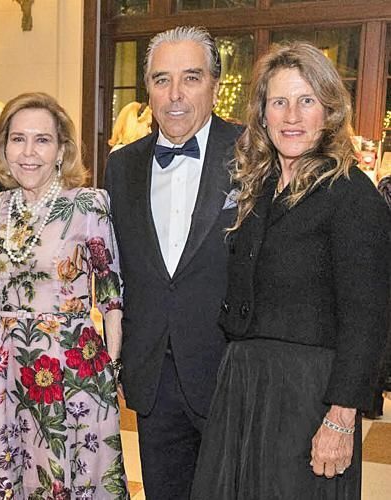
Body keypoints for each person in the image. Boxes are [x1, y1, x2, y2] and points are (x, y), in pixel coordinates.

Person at [191, 42, 391, 500]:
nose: (292, 116)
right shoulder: (259, 188)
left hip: (310, 397)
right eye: (279, 102)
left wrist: (340, 418)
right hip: (244, 384)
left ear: (329, 111)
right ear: (262, 114)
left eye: (306, 101)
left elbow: (368, 320)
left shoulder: (352, 196)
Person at [0, 92, 128, 499]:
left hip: (70, 364)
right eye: (18, 139)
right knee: (9, 472)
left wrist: (112, 369)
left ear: (61, 149)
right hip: (6, 365)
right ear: (3, 147)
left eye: (42, 140)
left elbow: (110, 295)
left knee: (65, 471)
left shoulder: (88, 204)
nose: (28, 152)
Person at [104, 26, 242, 499]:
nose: (176, 94)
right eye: (162, 80)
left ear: (215, 85)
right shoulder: (121, 167)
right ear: (148, 89)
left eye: (191, 78)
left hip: (230, 373)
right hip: (154, 378)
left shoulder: (255, 155)